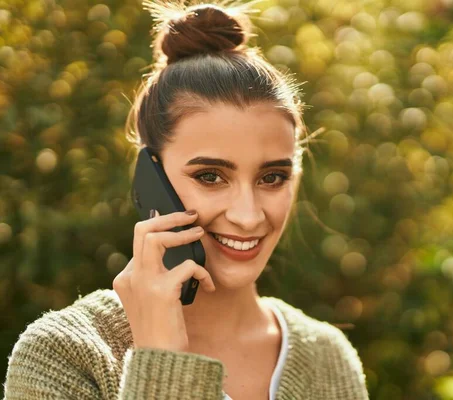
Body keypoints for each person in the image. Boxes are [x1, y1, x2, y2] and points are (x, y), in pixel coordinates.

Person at [2, 2, 369, 399]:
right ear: (150, 176)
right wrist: (161, 360)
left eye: (272, 178)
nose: (247, 216)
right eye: (210, 177)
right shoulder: (65, 354)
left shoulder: (328, 358)